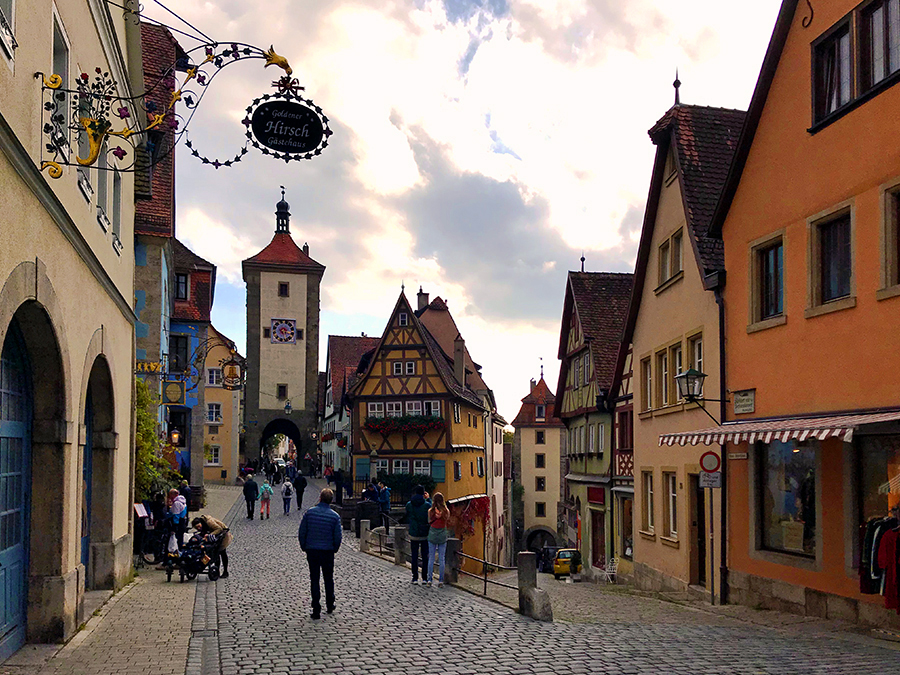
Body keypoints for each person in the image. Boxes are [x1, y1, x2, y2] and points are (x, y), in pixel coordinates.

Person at [297, 488, 342, 620]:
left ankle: (316, 607)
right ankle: (329, 603)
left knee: (314, 579)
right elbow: (337, 537)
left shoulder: (309, 513)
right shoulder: (335, 516)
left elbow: (302, 532)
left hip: (312, 550)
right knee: (328, 578)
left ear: (320, 498)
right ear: (331, 500)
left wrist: (304, 546)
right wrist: (334, 548)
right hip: (327, 551)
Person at [405, 485, 431, 584]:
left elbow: (407, 515)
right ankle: (424, 577)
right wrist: (428, 499)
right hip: (424, 533)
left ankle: (415, 577)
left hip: (414, 532)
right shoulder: (427, 505)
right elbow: (432, 512)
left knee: (414, 555)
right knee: (425, 556)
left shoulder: (409, 504)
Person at [425, 492, 450, 588]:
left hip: (432, 534)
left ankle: (429, 579)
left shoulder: (430, 511)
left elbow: (429, 521)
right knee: (441, 558)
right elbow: (447, 520)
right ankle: (440, 581)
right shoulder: (446, 511)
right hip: (442, 535)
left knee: (431, 558)